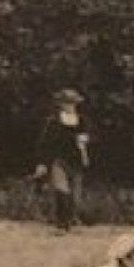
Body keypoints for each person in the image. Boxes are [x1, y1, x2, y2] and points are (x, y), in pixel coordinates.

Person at [33, 89, 90, 232]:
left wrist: (86, 141)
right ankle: (60, 225)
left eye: (73, 103)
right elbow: (45, 143)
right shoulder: (53, 121)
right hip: (58, 160)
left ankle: (70, 222)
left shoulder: (82, 120)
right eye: (67, 103)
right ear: (61, 104)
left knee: (75, 197)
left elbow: (90, 137)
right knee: (61, 191)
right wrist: (42, 163)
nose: (70, 106)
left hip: (76, 162)